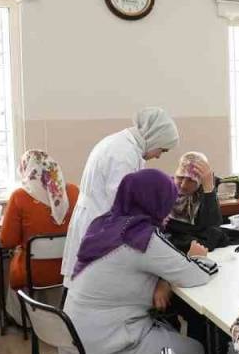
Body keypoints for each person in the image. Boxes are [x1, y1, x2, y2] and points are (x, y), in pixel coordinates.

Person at [62, 169, 216, 354]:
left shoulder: (105, 224)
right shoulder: (142, 237)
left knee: (167, 337)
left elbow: (153, 267)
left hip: (75, 340)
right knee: (191, 352)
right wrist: (194, 258)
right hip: (100, 348)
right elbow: (195, 275)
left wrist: (163, 278)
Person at [61, 107, 179, 285]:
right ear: (154, 138)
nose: (158, 156)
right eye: (161, 150)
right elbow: (123, 201)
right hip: (98, 221)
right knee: (95, 288)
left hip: (97, 220)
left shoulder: (123, 144)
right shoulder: (123, 154)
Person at [0, 150, 78, 291]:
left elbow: (7, 241)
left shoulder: (19, 196)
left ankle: (21, 312)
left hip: (31, 275)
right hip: (68, 272)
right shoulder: (73, 192)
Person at [165, 152, 223, 254]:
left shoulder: (203, 194)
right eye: (180, 177)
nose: (183, 185)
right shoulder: (164, 190)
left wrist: (208, 189)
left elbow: (213, 226)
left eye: (191, 180)